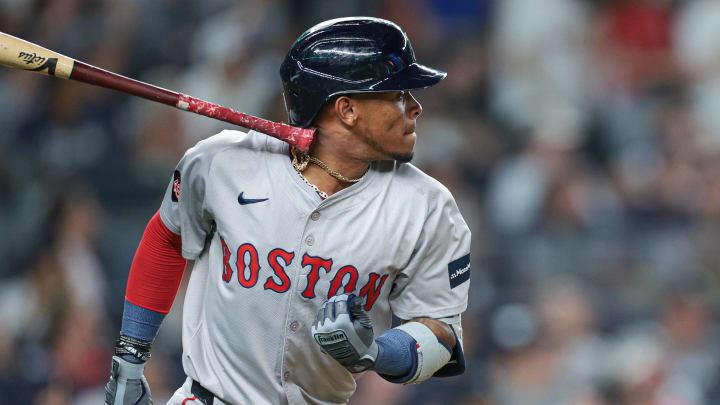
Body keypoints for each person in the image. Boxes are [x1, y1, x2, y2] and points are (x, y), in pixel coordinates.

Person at [104, 17, 471, 405]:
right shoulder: (222, 161)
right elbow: (167, 237)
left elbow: (442, 334)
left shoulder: (428, 207)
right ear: (347, 109)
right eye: (398, 94)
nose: (415, 108)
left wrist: (378, 353)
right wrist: (130, 356)